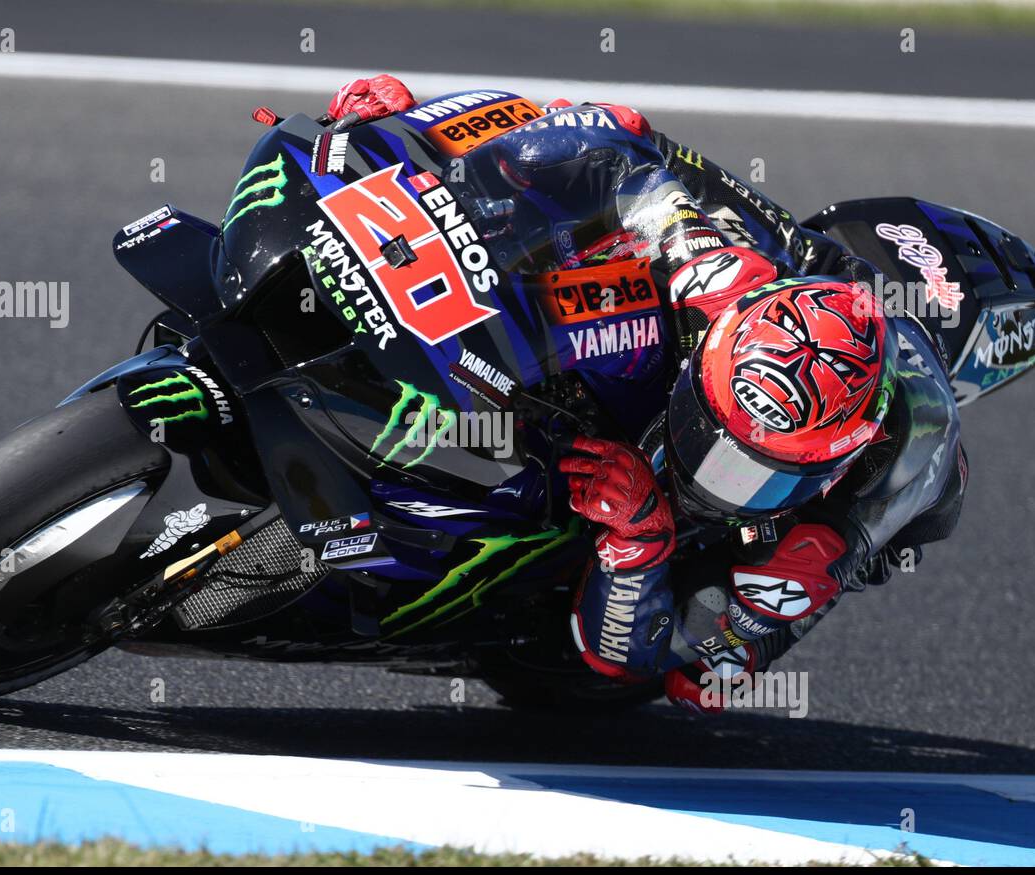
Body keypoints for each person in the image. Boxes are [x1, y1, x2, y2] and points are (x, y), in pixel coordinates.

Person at [323, 75, 967, 713]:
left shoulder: (868, 493)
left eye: (752, 475)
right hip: (728, 264)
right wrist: (408, 133)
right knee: (540, 165)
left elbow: (658, 654)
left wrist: (642, 543)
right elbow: (602, 129)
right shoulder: (713, 270)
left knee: (711, 679)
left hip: (846, 502)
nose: (707, 475)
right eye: (710, 437)